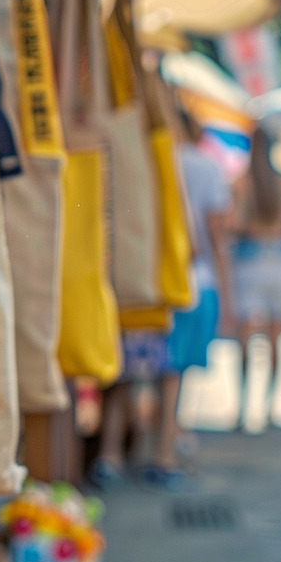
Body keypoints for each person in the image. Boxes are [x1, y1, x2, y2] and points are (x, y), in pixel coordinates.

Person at [89, 107, 232, 491]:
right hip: (192, 284)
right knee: (172, 377)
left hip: (142, 280)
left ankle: (110, 455)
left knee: (123, 373)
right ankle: (163, 458)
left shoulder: (146, 160)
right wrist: (226, 291)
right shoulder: (207, 166)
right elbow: (215, 238)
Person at [230, 128, 281, 431]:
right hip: (280, 261)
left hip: (249, 261)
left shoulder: (242, 184)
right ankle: (270, 408)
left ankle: (243, 407)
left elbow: (235, 223)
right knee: (275, 338)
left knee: (244, 341)